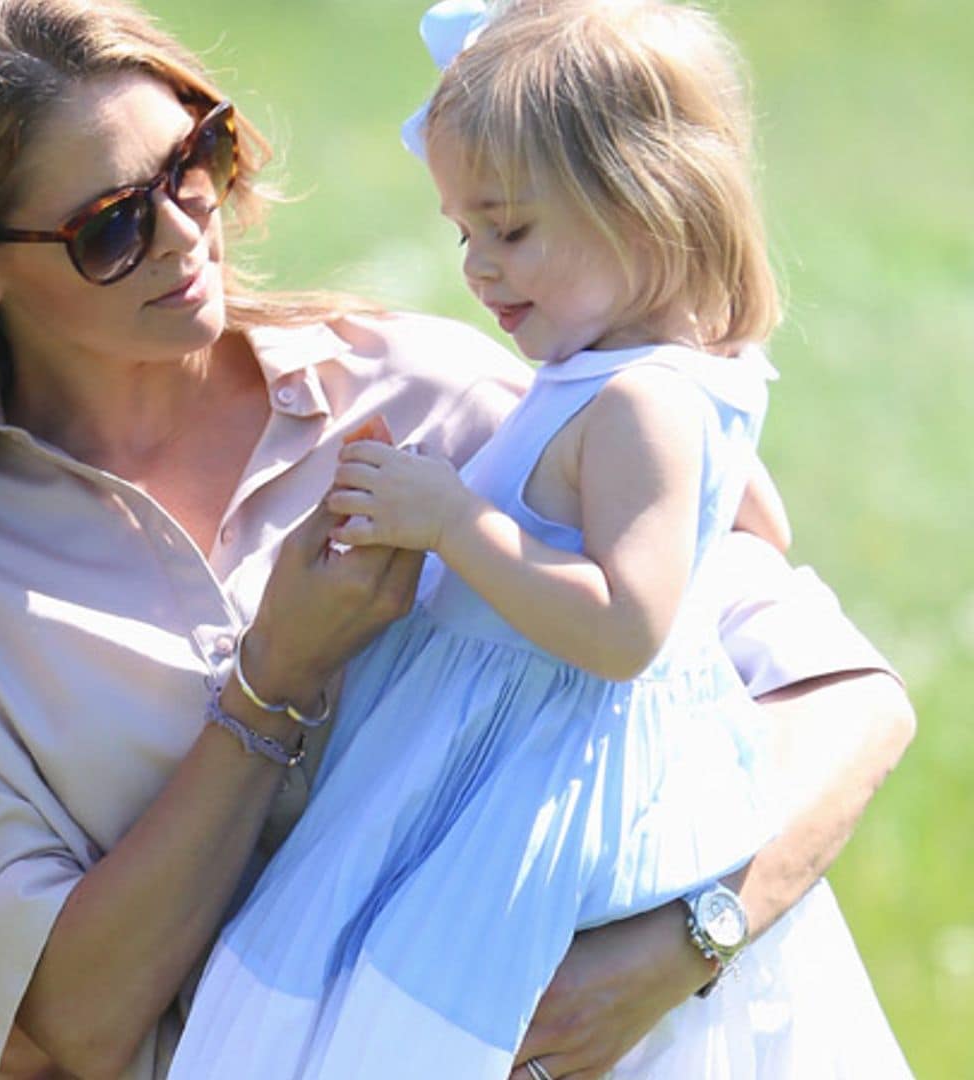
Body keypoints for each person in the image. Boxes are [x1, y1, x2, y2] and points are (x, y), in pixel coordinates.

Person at [0, 2, 914, 1077]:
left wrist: (688, 941)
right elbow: (72, 1023)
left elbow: (844, 695)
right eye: (111, 227)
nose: (183, 234)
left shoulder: (433, 388)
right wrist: (274, 681)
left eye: (196, 163)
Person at [171, 2, 908, 1076]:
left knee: (409, 1024)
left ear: (645, 206)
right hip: (500, 747)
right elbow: (754, 520)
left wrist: (451, 519)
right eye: (464, 231)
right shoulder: (667, 370)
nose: (478, 267)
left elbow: (624, 631)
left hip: (525, 784)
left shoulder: (637, 402)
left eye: (510, 230)